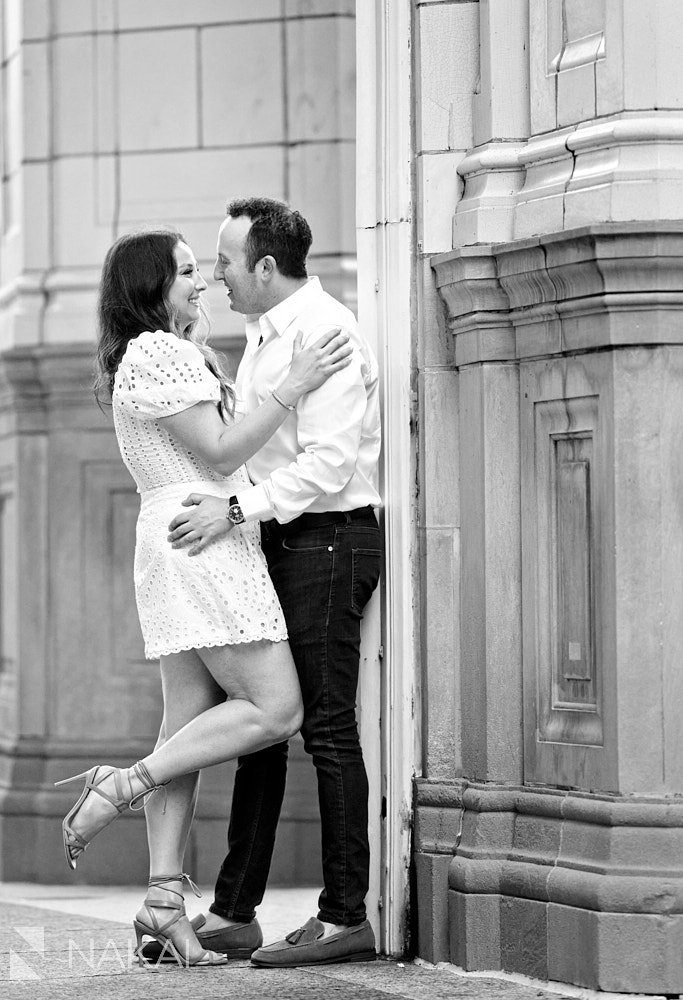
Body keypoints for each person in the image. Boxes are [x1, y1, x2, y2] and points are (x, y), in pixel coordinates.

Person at [55, 228, 352, 968]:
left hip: (184, 536)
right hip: (201, 540)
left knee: (183, 728)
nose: (202, 283)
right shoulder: (158, 352)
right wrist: (293, 383)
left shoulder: (159, 354)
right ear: (151, 287)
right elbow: (221, 453)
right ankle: (120, 784)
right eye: (187, 272)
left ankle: (163, 904)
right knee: (276, 708)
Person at [163, 198, 382, 968]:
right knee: (260, 719)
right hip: (277, 540)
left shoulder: (326, 334)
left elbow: (326, 464)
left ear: (263, 265)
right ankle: (234, 911)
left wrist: (233, 509)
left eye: (224, 261)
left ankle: (344, 914)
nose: (217, 275)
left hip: (329, 542)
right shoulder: (264, 336)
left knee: (323, 726)